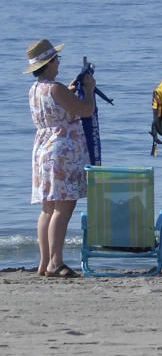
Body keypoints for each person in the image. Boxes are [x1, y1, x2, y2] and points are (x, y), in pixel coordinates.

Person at [25, 39, 95, 278]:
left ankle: (44, 263)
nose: (58, 63)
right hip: (62, 150)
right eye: (56, 59)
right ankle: (56, 261)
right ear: (50, 63)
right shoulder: (55, 88)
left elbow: (59, 104)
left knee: (47, 208)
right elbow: (85, 110)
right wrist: (90, 90)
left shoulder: (36, 89)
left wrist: (71, 91)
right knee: (64, 207)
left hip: (42, 148)